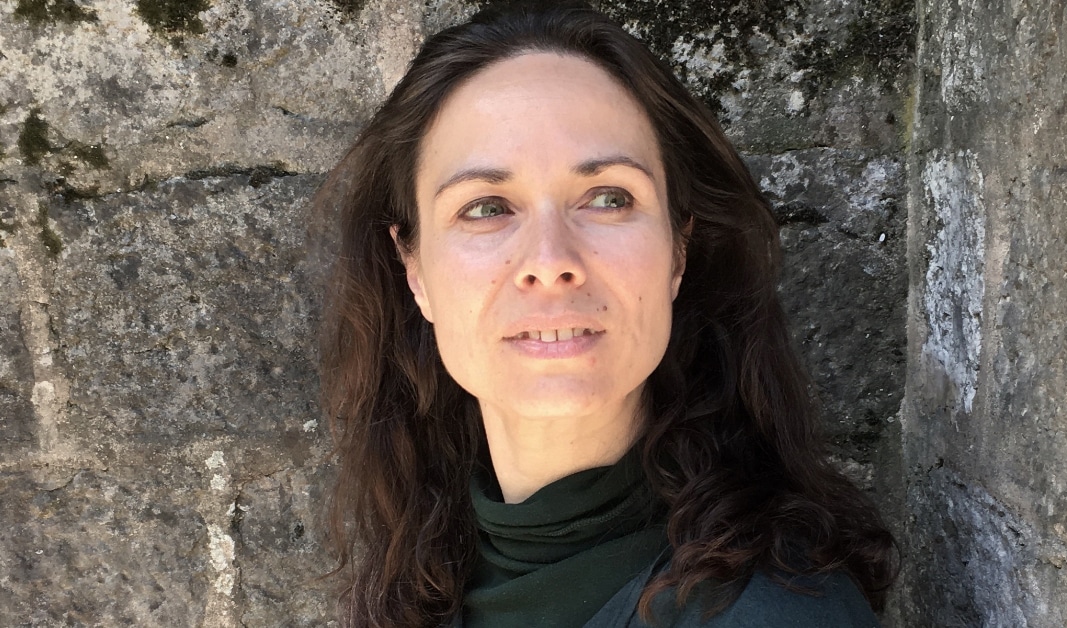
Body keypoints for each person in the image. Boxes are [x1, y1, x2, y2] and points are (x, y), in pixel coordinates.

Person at [317, 3, 897, 626]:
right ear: (414, 270)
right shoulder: (422, 581)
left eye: (608, 198)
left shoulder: (772, 613)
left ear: (678, 251)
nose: (549, 261)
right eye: (486, 207)